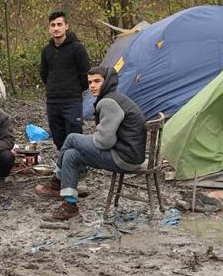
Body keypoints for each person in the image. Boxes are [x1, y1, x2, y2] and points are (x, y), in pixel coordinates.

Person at [35, 66, 147, 221]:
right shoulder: (115, 97)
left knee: (72, 138)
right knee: (70, 154)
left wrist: (91, 139)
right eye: (90, 82)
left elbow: (105, 142)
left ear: (107, 82)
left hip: (124, 158)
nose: (92, 86)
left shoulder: (108, 102)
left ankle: (57, 181)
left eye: (97, 81)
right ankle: (70, 206)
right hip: (128, 153)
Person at [40, 11, 90, 150]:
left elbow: (85, 73)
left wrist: (74, 88)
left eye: (59, 24)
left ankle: (77, 164)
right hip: (53, 100)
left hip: (72, 100)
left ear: (66, 26)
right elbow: (44, 73)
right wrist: (52, 86)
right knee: (57, 136)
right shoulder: (46, 51)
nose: (56, 28)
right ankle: (63, 163)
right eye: (53, 25)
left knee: (74, 134)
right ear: (49, 28)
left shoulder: (77, 48)